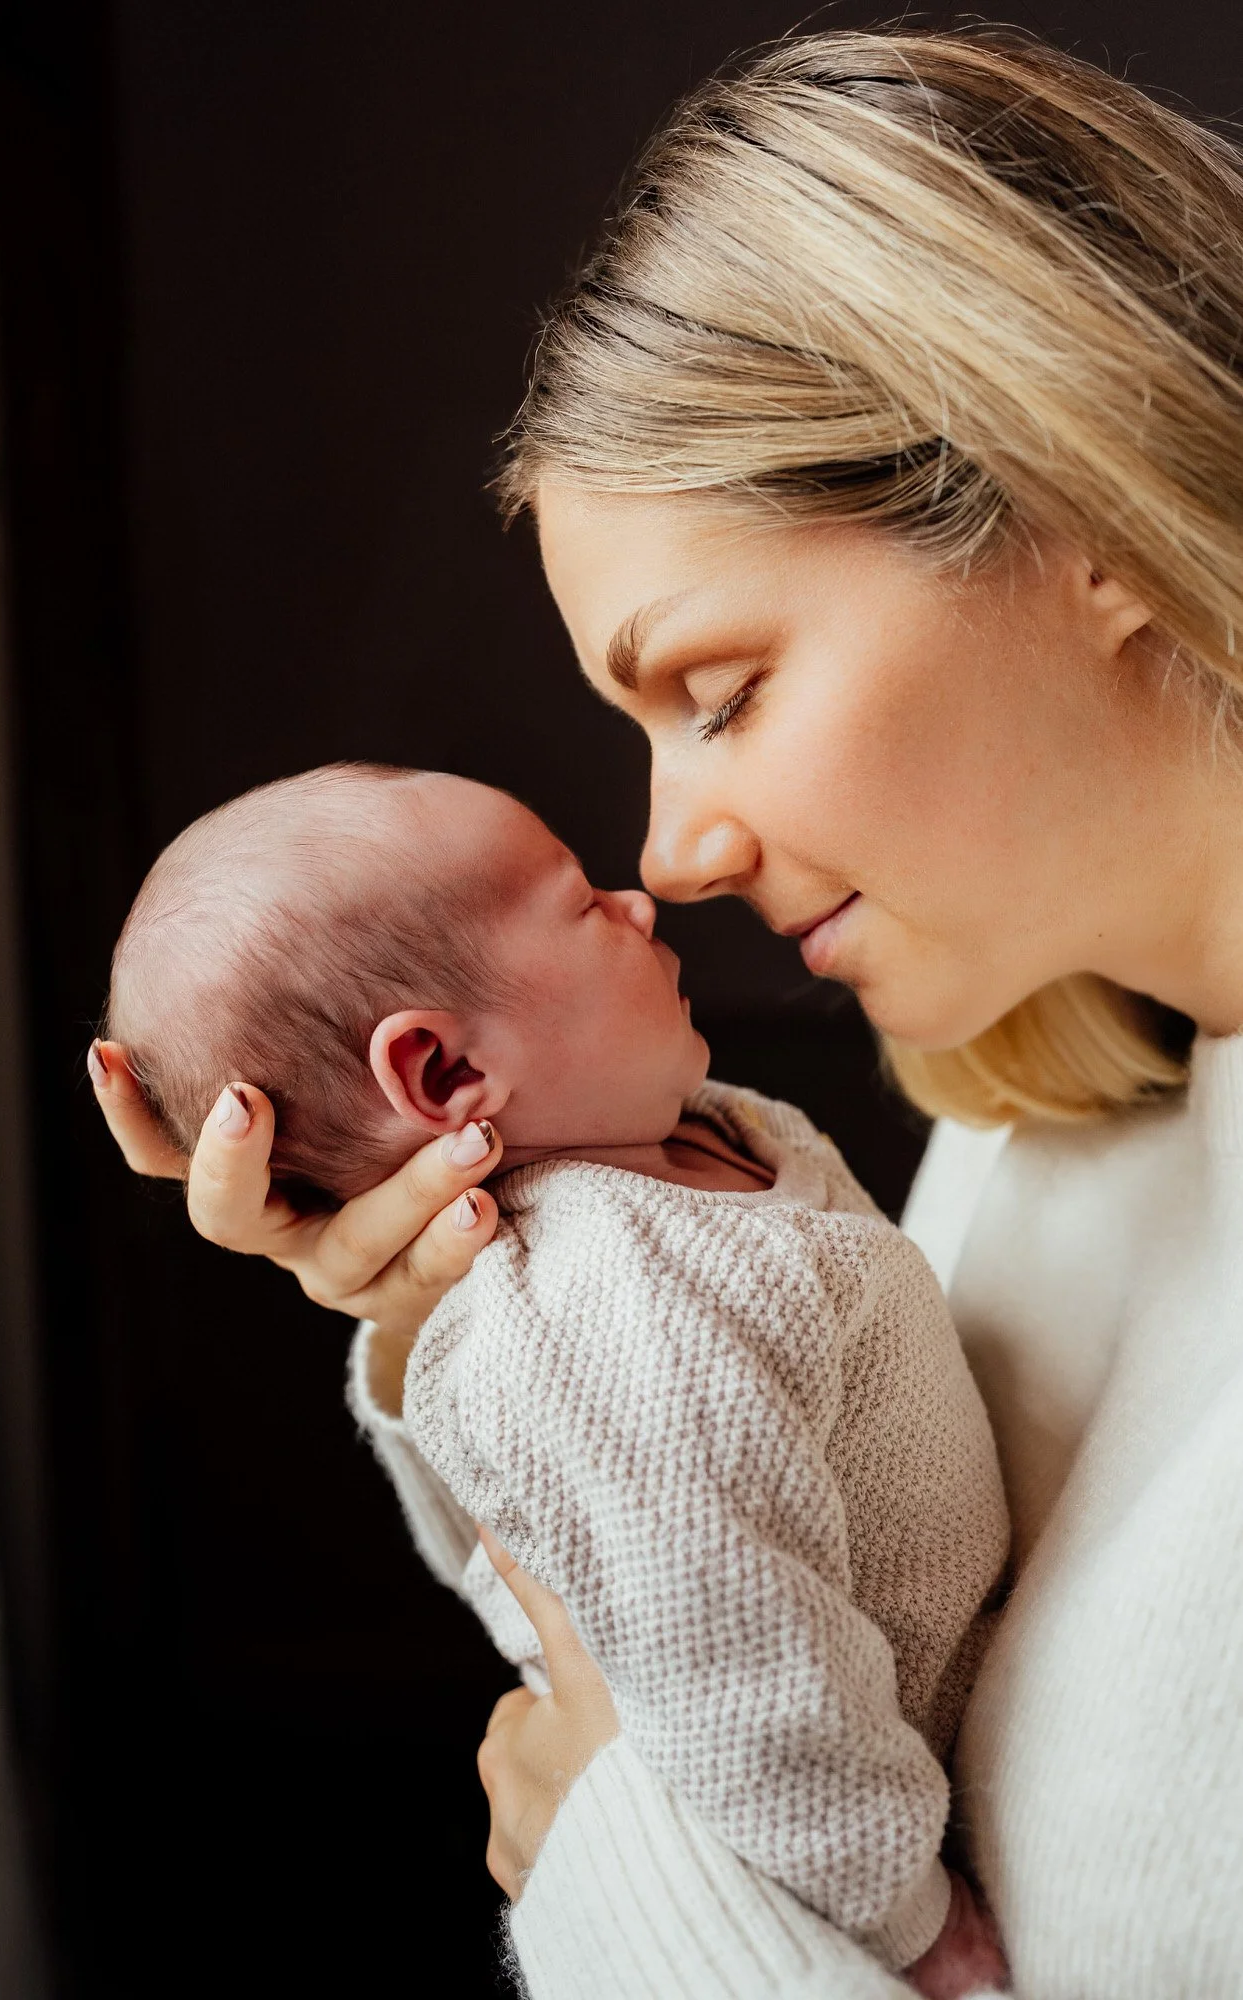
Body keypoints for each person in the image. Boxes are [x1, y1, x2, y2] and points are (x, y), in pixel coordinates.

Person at [90, 25, 1243, 1998]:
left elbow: (667, 1745)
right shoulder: (1022, 1131)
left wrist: (614, 1841)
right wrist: (471, 1324)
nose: (674, 851)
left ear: (1086, 519)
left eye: (716, 690)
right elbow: (723, 1586)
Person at [104, 760, 1008, 1990]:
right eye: (583, 902)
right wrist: (917, 1922)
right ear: (440, 1075)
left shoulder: (698, 1134)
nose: (641, 899)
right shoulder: (605, 1301)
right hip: (830, 1851)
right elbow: (738, 1659)